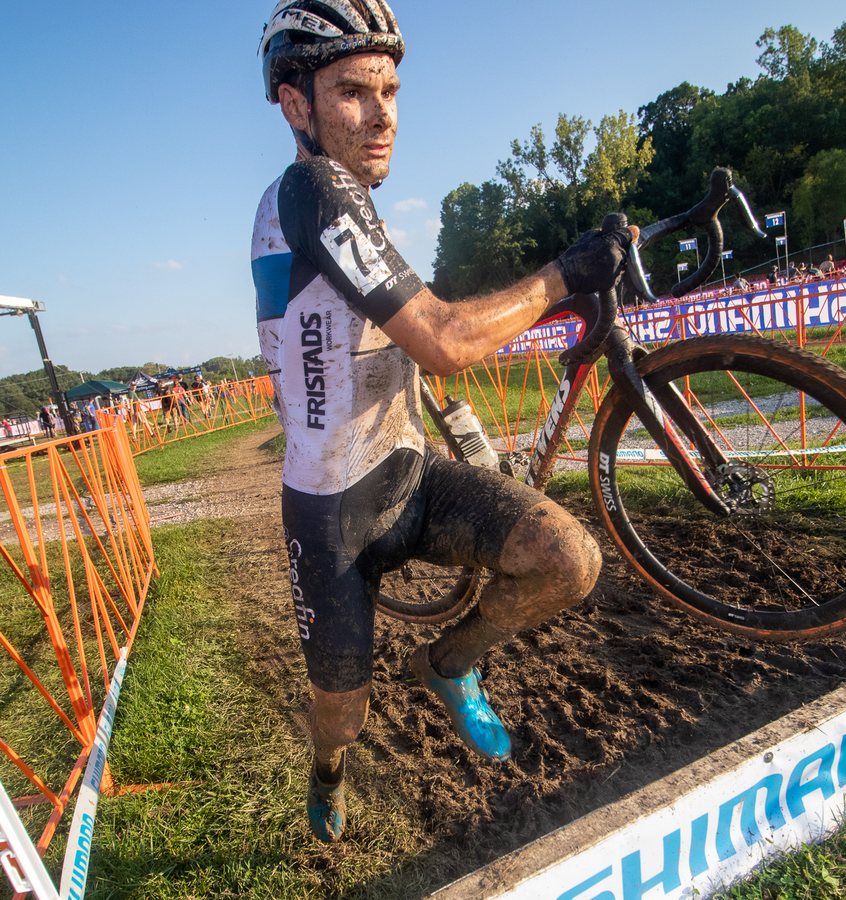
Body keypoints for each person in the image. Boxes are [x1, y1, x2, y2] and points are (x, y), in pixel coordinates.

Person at [255, 0, 630, 844]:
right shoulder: (313, 189)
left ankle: (449, 662)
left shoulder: (346, 195)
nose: (383, 112)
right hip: (332, 517)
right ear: (295, 105)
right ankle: (328, 769)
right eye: (353, 90)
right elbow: (446, 337)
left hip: (407, 475)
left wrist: (454, 423)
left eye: (390, 89)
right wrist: (560, 276)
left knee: (568, 560)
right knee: (341, 716)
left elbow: (388, 349)